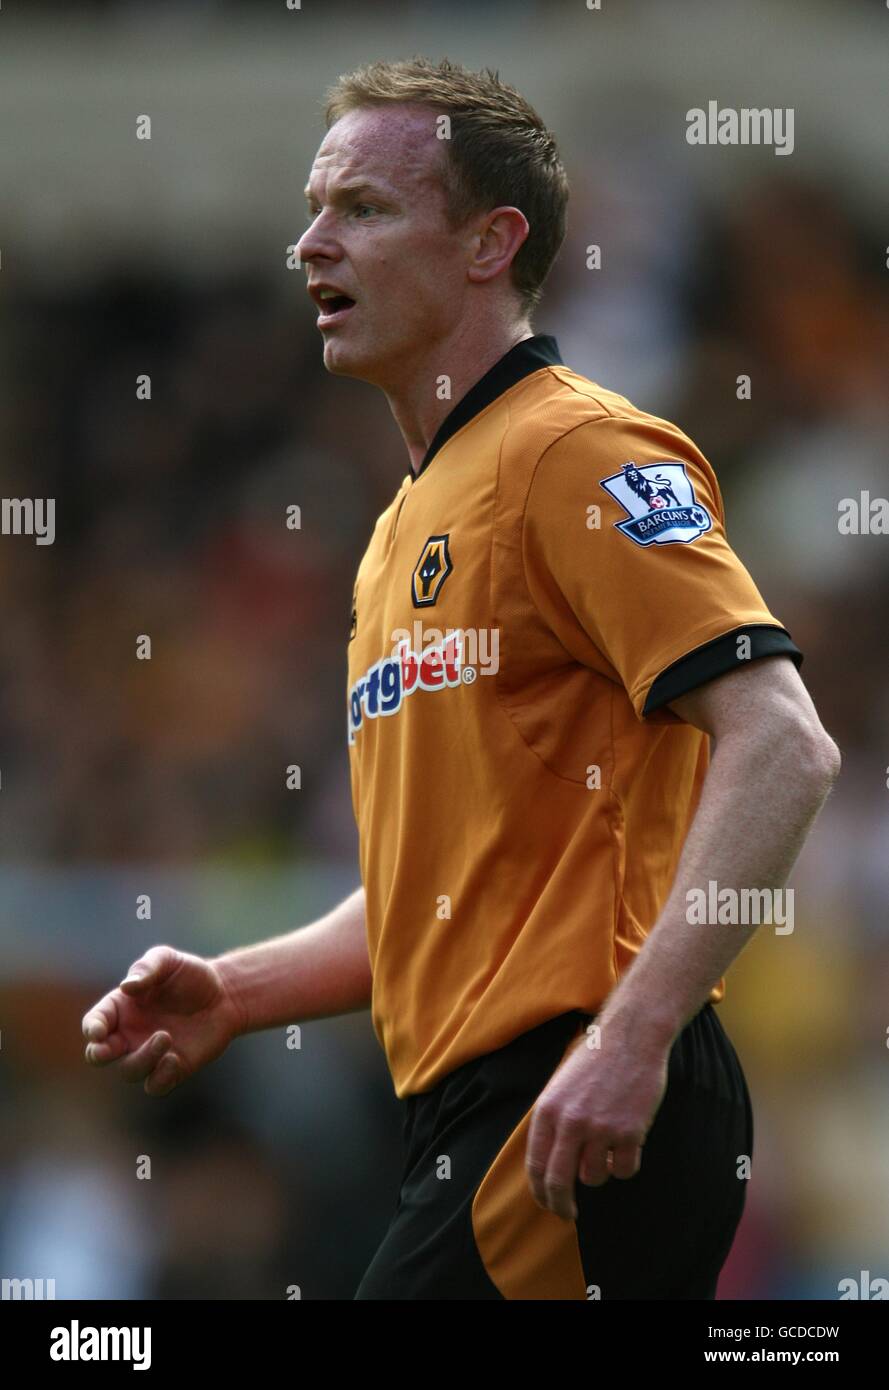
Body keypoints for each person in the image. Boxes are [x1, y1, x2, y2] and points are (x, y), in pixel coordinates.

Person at [83, 57, 841, 1300]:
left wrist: (632, 1035)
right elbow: (432, 896)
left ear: (492, 243)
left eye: (364, 210)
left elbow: (783, 743)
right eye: (315, 208)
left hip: (578, 1089)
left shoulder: (573, 449)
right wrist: (236, 987)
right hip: (485, 1115)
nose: (310, 243)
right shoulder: (400, 531)